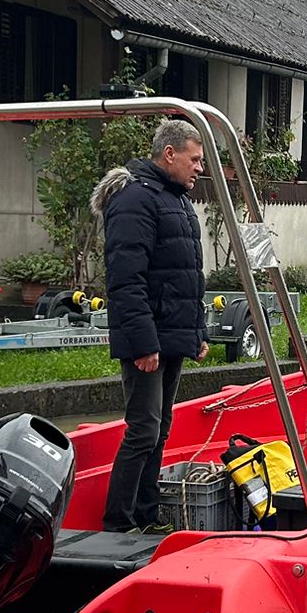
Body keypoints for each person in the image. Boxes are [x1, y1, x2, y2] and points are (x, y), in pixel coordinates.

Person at [94, 119, 212, 532]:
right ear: (170, 154)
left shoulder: (174, 198)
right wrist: (143, 344)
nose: (200, 168)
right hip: (148, 339)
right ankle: (119, 522)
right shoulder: (135, 200)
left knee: (160, 428)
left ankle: (145, 514)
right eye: (195, 159)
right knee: (143, 428)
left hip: (171, 335)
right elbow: (127, 279)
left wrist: (196, 334)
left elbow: (185, 276)